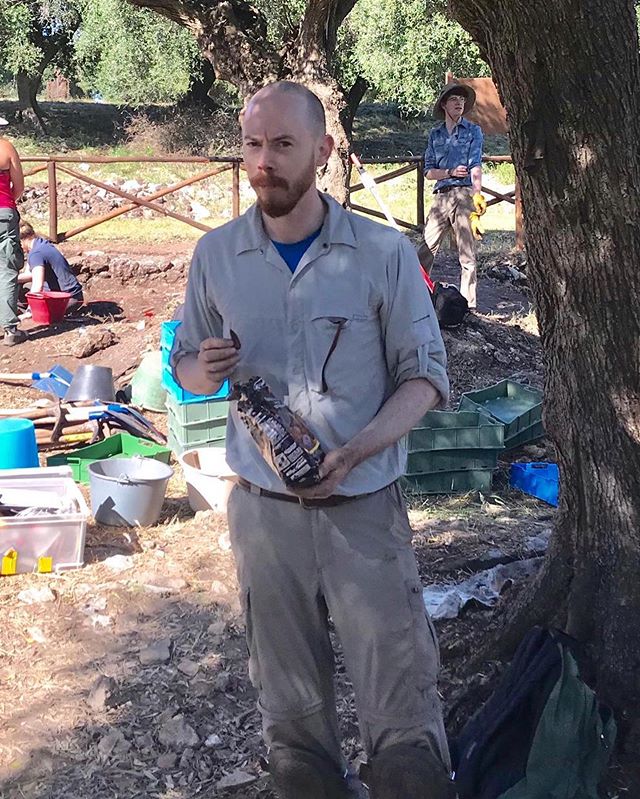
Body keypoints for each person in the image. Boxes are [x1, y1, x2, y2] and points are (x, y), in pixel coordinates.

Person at [172, 81, 454, 799]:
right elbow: (184, 363)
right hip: (264, 520)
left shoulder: (382, 254)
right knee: (292, 726)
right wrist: (198, 366)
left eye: (283, 146)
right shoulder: (216, 256)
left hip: (364, 512)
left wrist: (357, 450)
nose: (262, 162)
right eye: (252, 145)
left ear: (324, 152)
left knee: (403, 724)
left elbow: (424, 380)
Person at [420, 81, 486, 309]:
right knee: (425, 249)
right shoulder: (435, 135)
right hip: (441, 197)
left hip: (465, 195)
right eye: (454, 99)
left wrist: (477, 197)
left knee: (467, 254)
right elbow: (428, 171)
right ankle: (418, 295)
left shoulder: (473, 131)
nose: (459, 103)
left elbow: (475, 165)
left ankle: (468, 306)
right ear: (444, 105)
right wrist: (447, 172)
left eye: (462, 100)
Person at [0, 115, 27, 345]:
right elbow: (19, 186)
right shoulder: (6, 148)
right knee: (7, 268)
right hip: (4, 213)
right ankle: (10, 329)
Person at [18, 221, 84, 312]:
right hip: (75, 295)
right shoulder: (39, 244)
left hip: (66, 299)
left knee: (22, 296)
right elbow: (30, 275)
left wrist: (31, 310)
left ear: (21, 240)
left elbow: (37, 286)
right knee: (22, 287)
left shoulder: (36, 253)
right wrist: (9, 279)